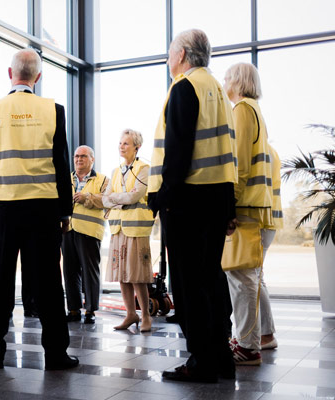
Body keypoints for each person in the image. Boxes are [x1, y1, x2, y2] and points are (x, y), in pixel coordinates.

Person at [0, 48, 77, 370]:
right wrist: (64, 212)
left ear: (9, 74)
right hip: (43, 210)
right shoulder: (53, 110)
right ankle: (56, 354)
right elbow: (61, 166)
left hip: (4, 209)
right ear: (38, 77)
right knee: (48, 284)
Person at [148, 29, 238, 383]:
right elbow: (227, 153)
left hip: (188, 200)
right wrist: (229, 205)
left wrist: (162, 198)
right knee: (211, 280)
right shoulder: (217, 89)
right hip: (216, 199)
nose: (169, 59)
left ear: (182, 54)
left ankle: (201, 362)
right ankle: (220, 358)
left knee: (187, 287)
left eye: (170, 53)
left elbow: (179, 149)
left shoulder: (185, 86)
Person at [223, 62, 274, 366]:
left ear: (239, 82)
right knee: (246, 276)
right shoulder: (253, 110)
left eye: (228, 76)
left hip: (246, 208)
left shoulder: (242, 110)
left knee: (242, 278)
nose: (224, 81)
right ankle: (246, 339)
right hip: (254, 207)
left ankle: (247, 346)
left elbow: (238, 165)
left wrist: (230, 204)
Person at [102, 129, 155, 333]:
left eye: (126, 143)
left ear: (136, 147)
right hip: (118, 228)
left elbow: (135, 196)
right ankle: (130, 314)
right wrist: (117, 198)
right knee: (122, 274)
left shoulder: (144, 168)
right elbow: (105, 198)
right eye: (120, 143)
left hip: (136, 228)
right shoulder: (116, 171)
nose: (121, 146)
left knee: (137, 275)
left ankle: (146, 316)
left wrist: (116, 198)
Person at [62, 145, 108, 324]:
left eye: (83, 156)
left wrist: (86, 198)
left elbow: (106, 200)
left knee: (90, 272)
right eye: (76, 157)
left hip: (89, 231)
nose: (78, 159)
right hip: (68, 229)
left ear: (92, 159)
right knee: (70, 271)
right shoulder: (67, 179)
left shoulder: (103, 180)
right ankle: (73, 309)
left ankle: (90, 310)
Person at [260, 145, 282, 350]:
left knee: (253, 278)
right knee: (255, 277)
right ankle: (263, 333)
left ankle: (266, 334)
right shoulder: (270, 151)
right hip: (268, 221)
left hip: (260, 221)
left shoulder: (259, 151)